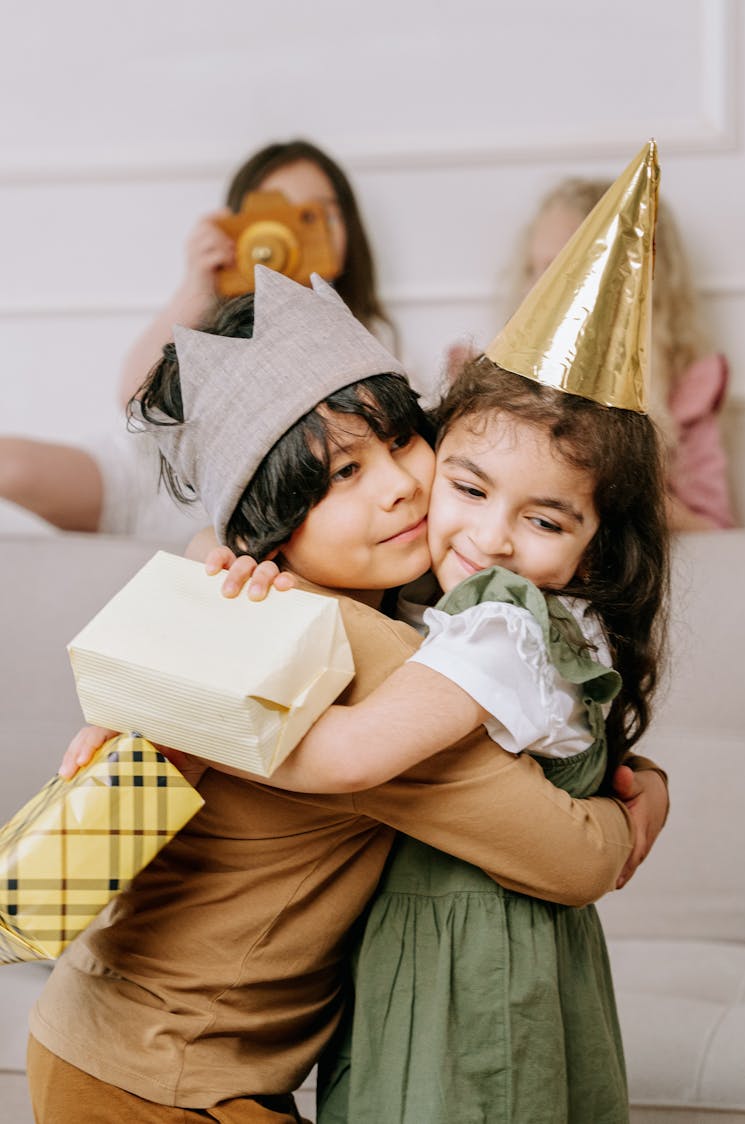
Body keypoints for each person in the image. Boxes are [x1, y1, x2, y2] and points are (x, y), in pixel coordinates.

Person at [37, 265, 667, 1124]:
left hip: (143, 1047)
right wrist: (636, 806)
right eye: (339, 477)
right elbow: (572, 859)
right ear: (265, 528)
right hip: (161, 1079)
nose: (400, 485)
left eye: (403, 439)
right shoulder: (356, 648)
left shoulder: (325, 601)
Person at [201, 143, 669, 1123]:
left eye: (544, 519)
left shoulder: (495, 620)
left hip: (465, 969)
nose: (490, 536)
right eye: (468, 485)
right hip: (491, 954)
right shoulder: (447, 601)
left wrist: (208, 708)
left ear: (592, 543)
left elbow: (355, 756)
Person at [1, 138, 392, 544]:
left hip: (244, 505)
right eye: (276, 214)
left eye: (313, 216)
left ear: (349, 230)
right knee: (12, 468)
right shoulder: (214, 319)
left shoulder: (368, 344)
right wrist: (196, 290)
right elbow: (135, 400)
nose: (289, 233)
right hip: (147, 476)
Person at [446, 175, 735, 531]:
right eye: (534, 270)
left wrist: (610, 480)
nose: (537, 291)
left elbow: (715, 533)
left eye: (561, 270)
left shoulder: (688, 386)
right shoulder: (478, 373)